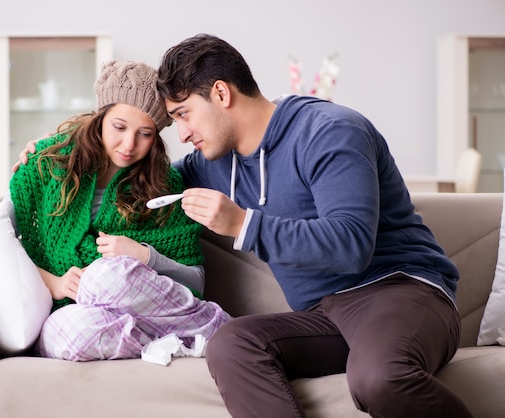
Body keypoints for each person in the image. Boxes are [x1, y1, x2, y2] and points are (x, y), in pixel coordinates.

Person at [152, 34, 473, 417]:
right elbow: (141, 184)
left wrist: (242, 223)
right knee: (232, 344)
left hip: (399, 290)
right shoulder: (213, 162)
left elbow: (351, 245)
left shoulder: (330, 131)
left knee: (379, 378)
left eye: (183, 114)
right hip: (324, 315)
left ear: (221, 93)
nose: (183, 134)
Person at [10, 60, 230, 362]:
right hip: (70, 314)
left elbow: (195, 281)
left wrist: (142, 255)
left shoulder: (163, 185)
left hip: (135, 297)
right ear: (99, 117)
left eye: (145, 134)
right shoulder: (45, 167)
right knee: (74, 335)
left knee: (106, 276)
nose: (129, 144)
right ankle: (172, 341)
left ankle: (219, 330)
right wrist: (57, 283)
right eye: (119, 127)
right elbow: (7, 254)